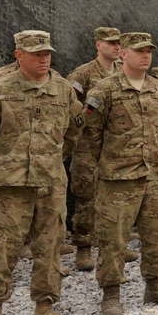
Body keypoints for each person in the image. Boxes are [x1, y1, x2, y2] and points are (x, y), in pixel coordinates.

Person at [0, 30, 85, 315]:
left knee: (50, 249)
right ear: (18, 55)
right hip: (11, 188)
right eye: (36, 53)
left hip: (50, 183)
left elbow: (74, 131)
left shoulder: (63, 90)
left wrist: (51, 159)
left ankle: (45, 311)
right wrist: (7, 160)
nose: (43, 58)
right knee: (0, 251)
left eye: (47, 52)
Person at [85, 32, 158, 315]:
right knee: (114, 238)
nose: (146, 55)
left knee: (156, 235)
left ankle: (155, 285)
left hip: (153, 174)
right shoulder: (104, 90)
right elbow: (90, 133)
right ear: (123, 54)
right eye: (139, 50)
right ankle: (111, 294)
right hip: (118, 178)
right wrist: (112, 161)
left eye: (149, 50)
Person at [67, 26, 121, 272]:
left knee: (114, 197)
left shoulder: (123, 73)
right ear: (98, 45)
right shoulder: (84, 74)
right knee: (86, 197)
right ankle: (84, 246)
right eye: (111, 43)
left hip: (115, 146)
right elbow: (68, 107)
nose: (116, 47)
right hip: (88, 147)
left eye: (119, 43)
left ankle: (110, 244)